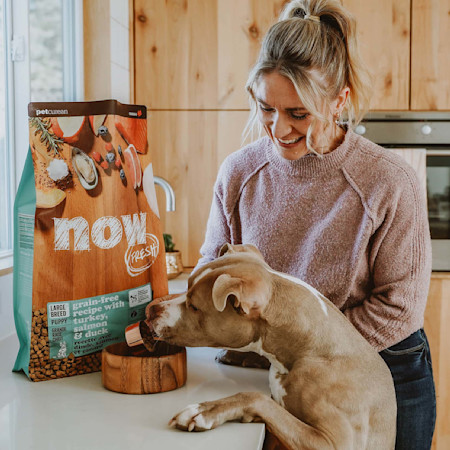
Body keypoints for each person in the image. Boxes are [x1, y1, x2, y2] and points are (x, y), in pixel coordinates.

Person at [192, 0, 436, 448]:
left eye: (298, 114)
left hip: (382, 367)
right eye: (266, 108)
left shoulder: (388, 181)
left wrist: (297, 351)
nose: (277, 128)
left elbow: (399, 306)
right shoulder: (240, 173)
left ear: (339, 99)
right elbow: (213, 271)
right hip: (277, 368)